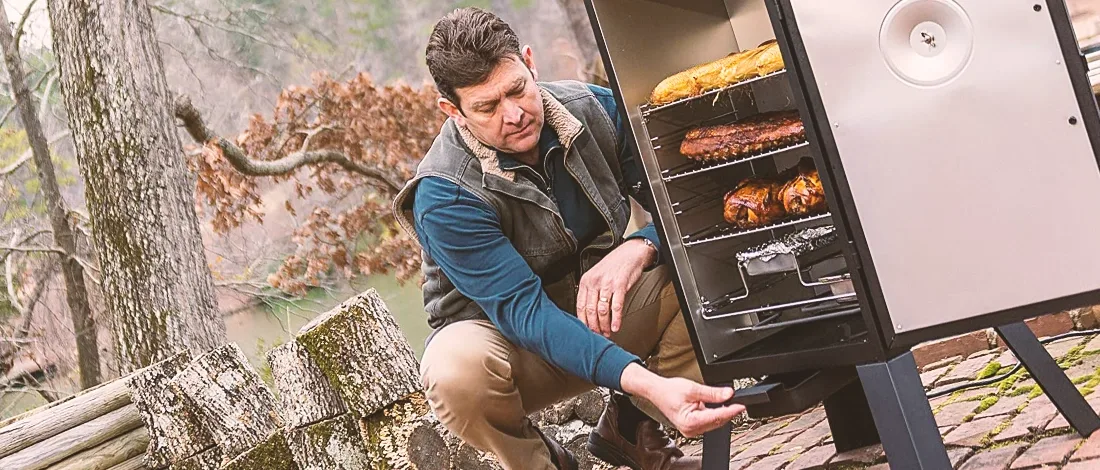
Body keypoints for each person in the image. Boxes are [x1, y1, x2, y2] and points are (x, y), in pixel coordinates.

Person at [392, 7, 746, 470]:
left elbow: (688, 202)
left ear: (530, 62)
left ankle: (632, 426)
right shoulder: (444, 194)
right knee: (455, 374)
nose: (514, 114)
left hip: (598, 312)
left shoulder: (596, 110)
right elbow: (525, 313)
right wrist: (647, 380)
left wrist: (641, 245)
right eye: (487, 107)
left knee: (705, 261)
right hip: (512, 347)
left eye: (516, 89)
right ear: (452, 111)